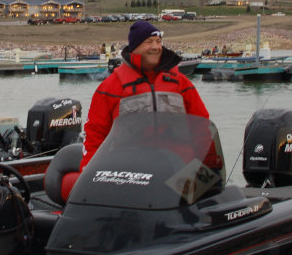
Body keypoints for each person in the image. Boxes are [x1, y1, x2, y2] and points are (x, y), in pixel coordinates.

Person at [80, 20, 210, 172]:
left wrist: (211, 168)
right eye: (149, 42)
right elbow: (94, 136)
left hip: (178, 172)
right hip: (129, 173)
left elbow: (202, 129)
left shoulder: (181, 83)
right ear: (135, 47)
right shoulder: (110, 87)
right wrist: (88, 173)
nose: (156, 47)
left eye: (158, 41)